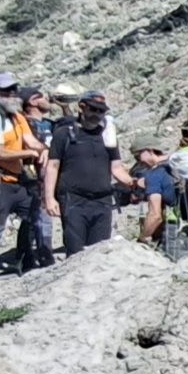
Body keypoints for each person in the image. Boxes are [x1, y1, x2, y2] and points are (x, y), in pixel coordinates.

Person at [0, 72, 45, 281]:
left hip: (15, 176)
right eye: (6, 90)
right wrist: (30, 154)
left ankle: (25, 259)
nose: (12, 94)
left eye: (14, 90)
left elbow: (30, 140)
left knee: (32, 214)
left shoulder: (16, 115)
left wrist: (44, 150)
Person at [41, 91, 132, 255]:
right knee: (75, 250)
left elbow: (116, 168)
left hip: (102, 201)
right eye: (93, 109)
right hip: (73, 200)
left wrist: (133, 182)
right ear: (81, 107)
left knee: (99, 252)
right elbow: (52, 166)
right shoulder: (64, 133)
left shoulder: (108, 137)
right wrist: (49, 198)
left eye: (101, 111)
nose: (97, 114)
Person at [18, 86, 56, 271]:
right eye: (41, 96)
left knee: (45, 216)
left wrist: (65, 106)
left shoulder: (49, 123)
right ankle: (36, 256)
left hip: (52, 176)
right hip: (33, 177)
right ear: (32, 102)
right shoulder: (24, 124)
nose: (46, 98)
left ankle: (42, 253)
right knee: (37, 217)